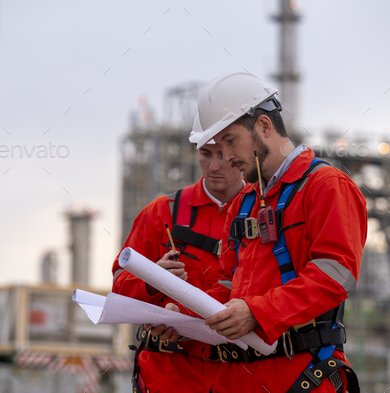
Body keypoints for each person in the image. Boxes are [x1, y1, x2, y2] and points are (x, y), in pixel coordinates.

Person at [160, 72, 367, 393]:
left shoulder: (326, 186)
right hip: (239, 377)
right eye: (217, 145)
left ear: (264, 126)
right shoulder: (244, 202)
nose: (226, 157)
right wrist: (183, 316)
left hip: (303, 374)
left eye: (230, 140)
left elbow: (336, 275)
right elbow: (229, 285)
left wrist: (258, 313)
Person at [111, 119, 245, 393]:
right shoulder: (161, 213)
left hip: (239, 376)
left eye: (222, 155)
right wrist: (152, 279)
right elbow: (119, 287)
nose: (214, 165)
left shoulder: (261, 213)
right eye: (206, 154)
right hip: (168, 377)